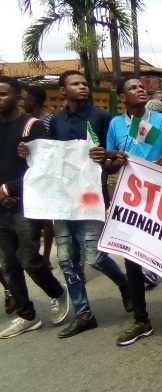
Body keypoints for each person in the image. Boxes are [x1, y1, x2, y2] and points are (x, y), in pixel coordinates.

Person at [20, 70, 132, 338]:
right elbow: (49, 157)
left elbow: (117, 154)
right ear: (62, 91)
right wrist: (28, 153)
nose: (82, 86)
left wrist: (104, 156)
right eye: (75, 83)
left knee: (93, 256)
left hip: (90, 196)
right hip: (61, 199)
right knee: (66, 259)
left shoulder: (102, 117)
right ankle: (84, 314)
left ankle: (125, 284)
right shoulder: (54, 122)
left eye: (84, 82)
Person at [105, 76, 162, 347]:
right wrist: (114, 160)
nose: (140, 89)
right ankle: (141, 319)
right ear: (122, 96)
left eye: (142, 87)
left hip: (160, 196)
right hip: (132, 198)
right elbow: (109, 162)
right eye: (133, 87)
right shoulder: (116, 124)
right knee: (131, 257)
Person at [0, 76, 69, 339]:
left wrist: (9, 188)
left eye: (3, 93)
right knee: (9, 265)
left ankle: (57, 292)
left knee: (28, 259)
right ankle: (26, 315)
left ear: (18, 97)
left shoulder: (33, 127)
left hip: (27, 205)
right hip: (1, 207)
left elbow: (46, 168)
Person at [21, 85, 54, 270]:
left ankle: (46, 255)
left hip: (46, 174)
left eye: (23, 98)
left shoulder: (49, 121)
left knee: (47, 218)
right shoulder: (24, 122)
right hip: (29, 174)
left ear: (32, 100)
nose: (21, 101)